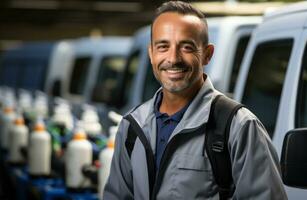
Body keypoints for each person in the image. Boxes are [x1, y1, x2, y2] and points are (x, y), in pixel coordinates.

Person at [104, 1, 287, 199]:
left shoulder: (239, 127)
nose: (173, 58)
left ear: (207, 55)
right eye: (163, 46)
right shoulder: (132, 126)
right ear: (151, 53)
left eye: (187, 47)